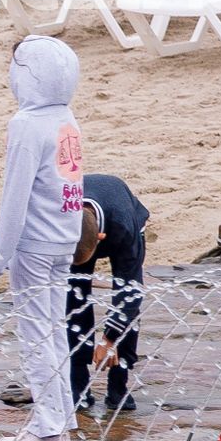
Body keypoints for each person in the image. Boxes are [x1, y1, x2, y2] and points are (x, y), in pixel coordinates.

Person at [0, 35, 87, 441]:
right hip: (64, 240)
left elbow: (16, 193)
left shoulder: (26, 125)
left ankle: (48, 430)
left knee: (35, 335)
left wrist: (1, 251)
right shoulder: (67, 119)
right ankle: (62, 419)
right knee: (54, 330)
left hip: (34, 245)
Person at [68, 172, 149, 422]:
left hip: (124, 219)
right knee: (74, 298)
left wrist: (109, 339)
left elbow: (130, 292)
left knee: (127, 302)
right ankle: (79, 386)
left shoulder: (125, 227)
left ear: (101, 240)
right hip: (78, 232)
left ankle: (118, 388)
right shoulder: (63, 213)